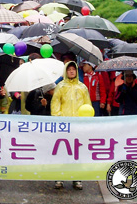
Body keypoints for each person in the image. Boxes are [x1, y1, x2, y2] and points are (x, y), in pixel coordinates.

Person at [50, 61, 91, 190]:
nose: (72, 71)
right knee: (62, 151)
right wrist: (58, 119)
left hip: (79, 126)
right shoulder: (60, 87)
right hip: (64, 125)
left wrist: (86, 122)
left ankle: (76, 178)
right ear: (66, 72)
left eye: (74, 69)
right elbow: (55, 104)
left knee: (77, 152)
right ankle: (59, 178)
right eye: (69, 69)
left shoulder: (83, 87)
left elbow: (87, 105)